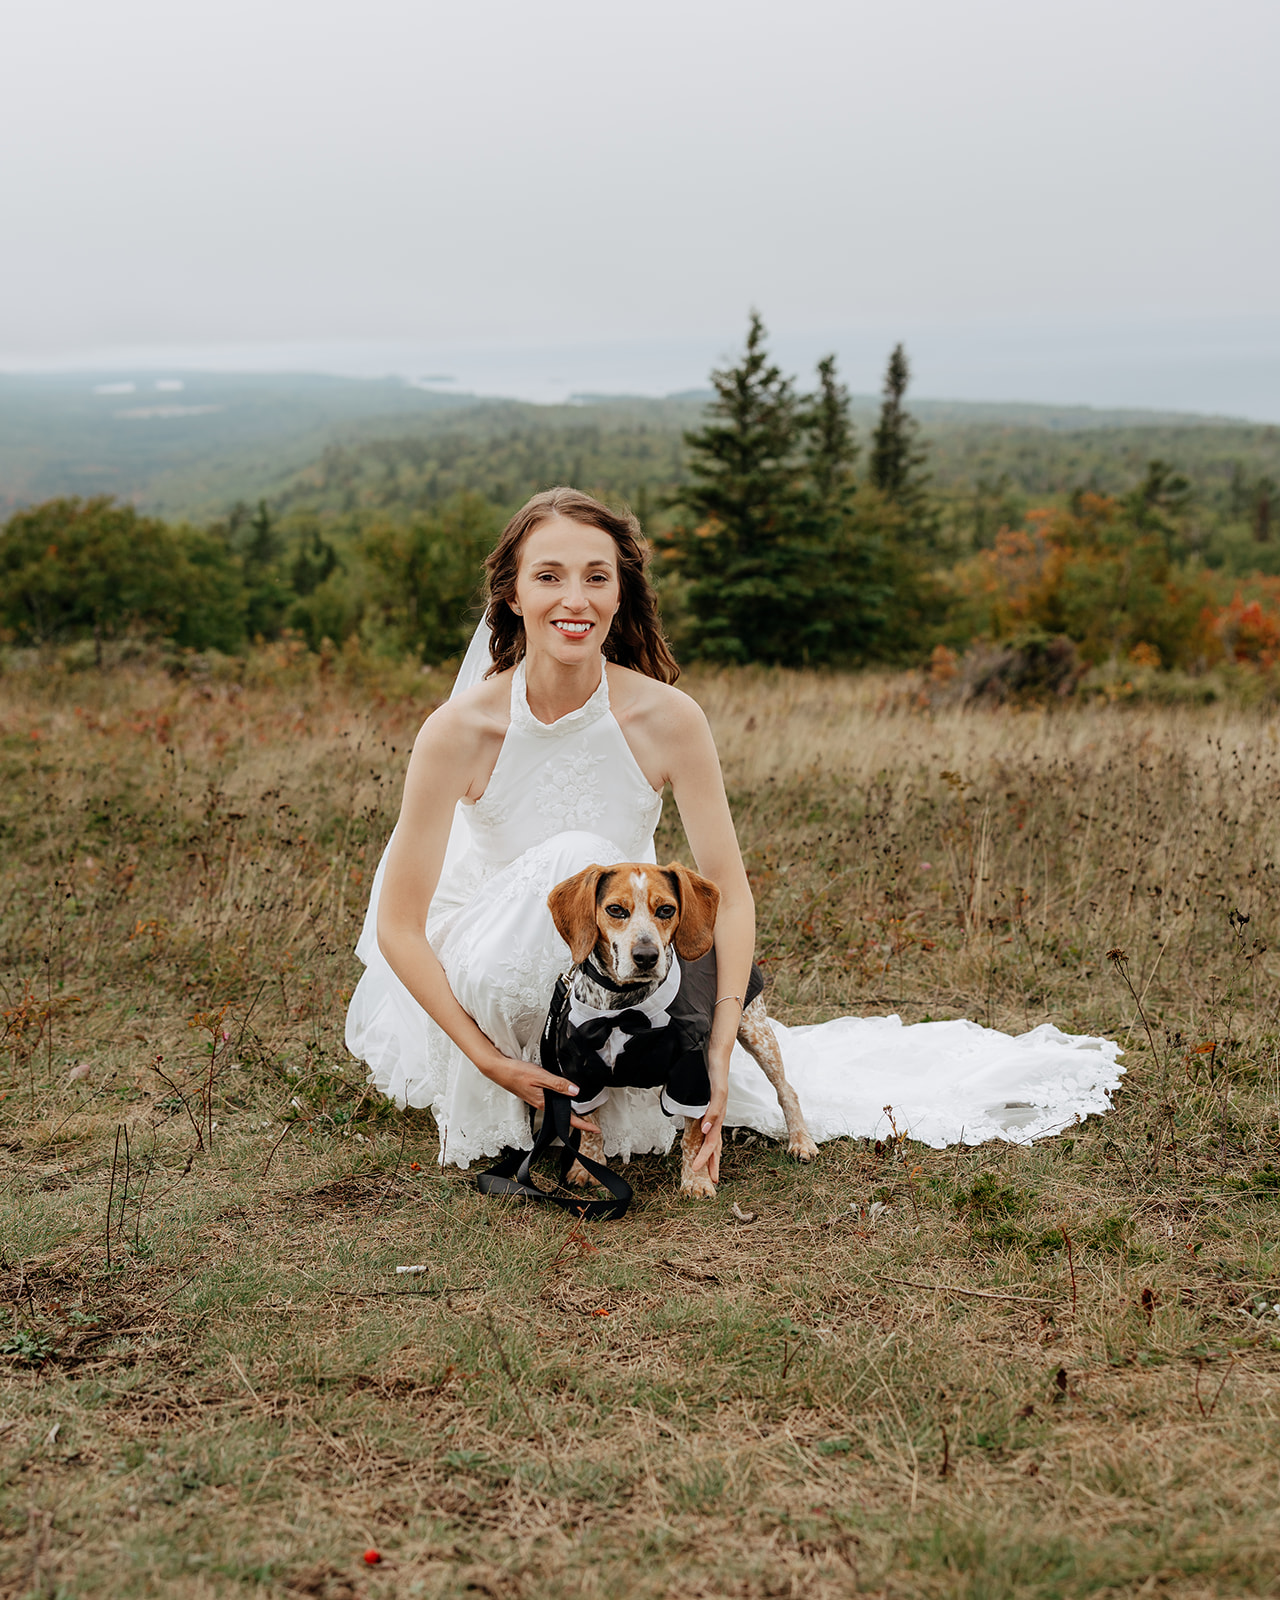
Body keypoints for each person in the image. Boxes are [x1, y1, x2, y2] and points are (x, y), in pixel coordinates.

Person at [347, 488, 1122, 1176]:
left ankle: (620, 1077)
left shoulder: (668, 719)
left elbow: (731, 895)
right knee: (578, 859)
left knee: (610, 885)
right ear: (513, 594)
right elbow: (400, 926)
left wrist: (718, 1046)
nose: (574, 599)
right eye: (548, 576)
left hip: (627, 963)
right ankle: (530, 1078)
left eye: (596, 576)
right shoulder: (459, 730)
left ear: (620, 592)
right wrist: (485, 1060)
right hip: (492, 969)